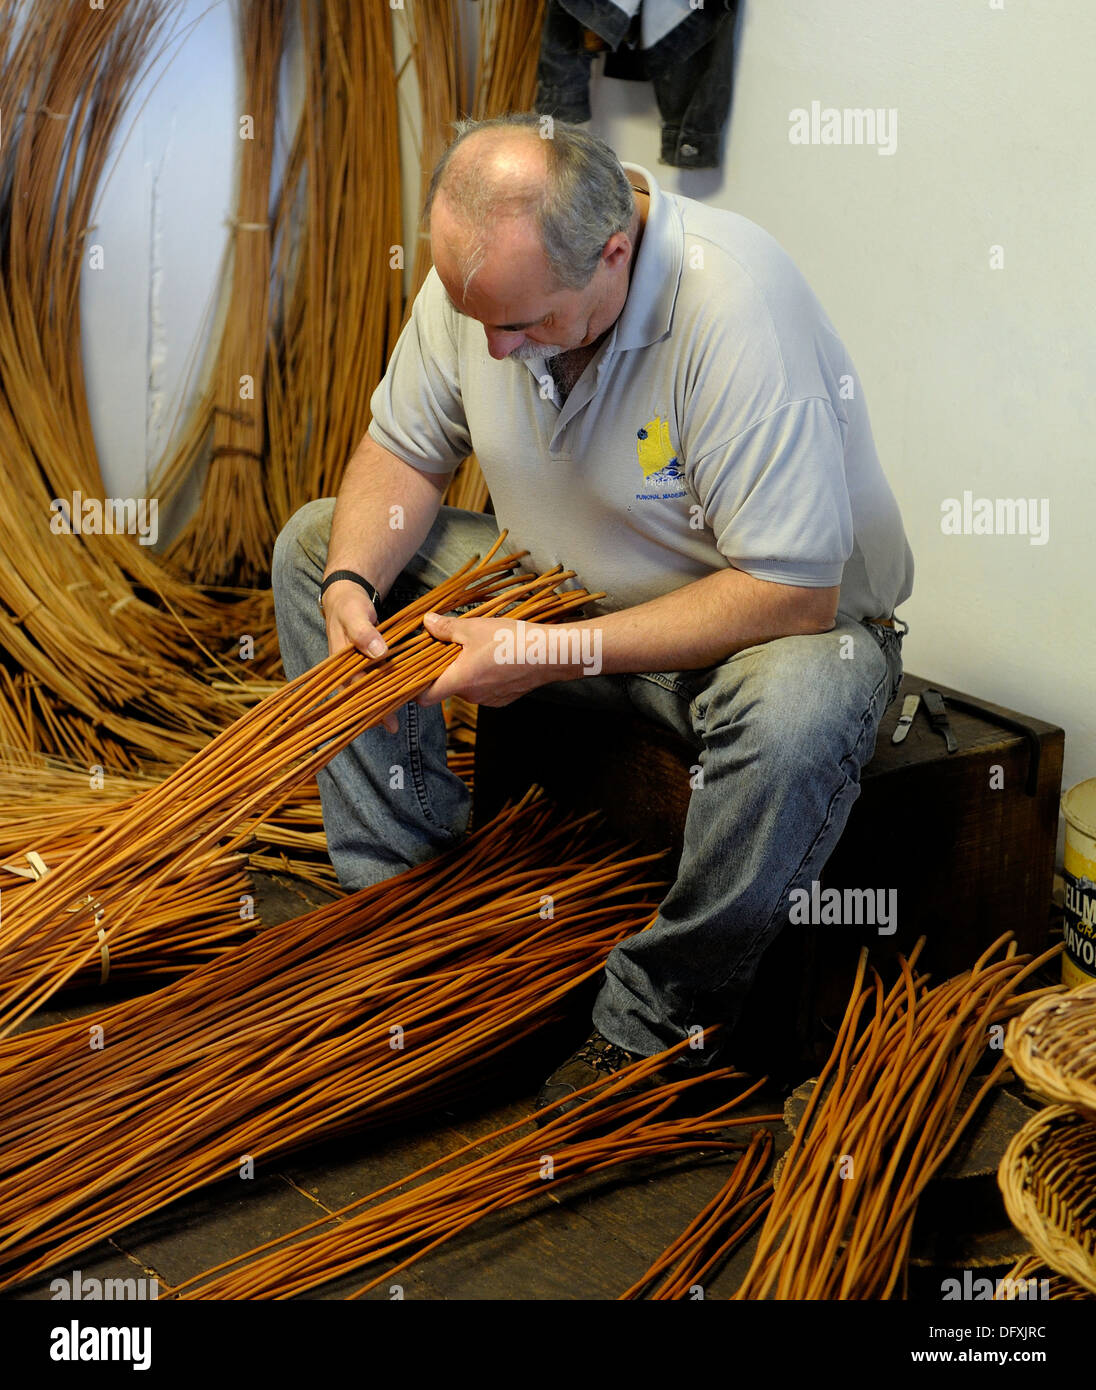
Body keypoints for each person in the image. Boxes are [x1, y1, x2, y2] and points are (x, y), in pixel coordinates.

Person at [272, 112, 913, 1112]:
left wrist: (552, 649)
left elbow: (794, 590)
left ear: (615, 252)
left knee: (809, 701)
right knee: (317, 542)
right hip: (554, 596)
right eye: (474, 316)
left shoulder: (732, 303)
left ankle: (655, 1024)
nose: (494, 344)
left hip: (742, 636)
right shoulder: (489, 285)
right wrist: (354, 579)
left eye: (524, 324)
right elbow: (404, 455)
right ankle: (398, 912)